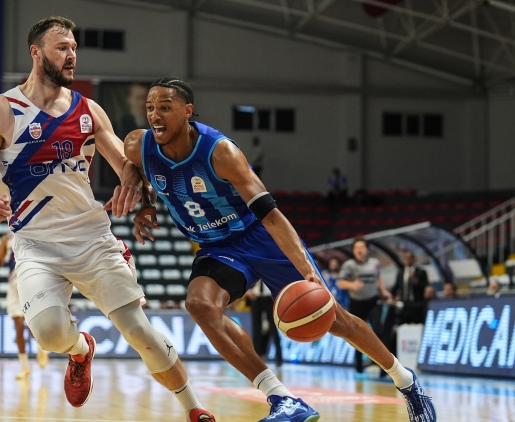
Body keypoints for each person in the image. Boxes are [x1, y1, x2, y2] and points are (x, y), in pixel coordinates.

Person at [124, 77, 435, 422]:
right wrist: (145, 201)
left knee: (337, 320)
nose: (155, 115)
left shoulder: (220, 153)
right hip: (217, 246)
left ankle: (406, 381)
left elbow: (271, 216)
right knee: (200, 305)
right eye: (150, 108)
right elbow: (136, 168)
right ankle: (283, 399)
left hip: (260, 236)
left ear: (187, 111)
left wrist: (308, 271)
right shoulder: (139, 145)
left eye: (165, 107)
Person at [0, 17, 214, 421]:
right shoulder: (2, 110)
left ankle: (194, 409)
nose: (71, 55)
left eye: (74, 47)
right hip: (36, 244)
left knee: (139, 331)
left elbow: (126, 163)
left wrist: (131, 184)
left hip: (92, 238)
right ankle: (81, 350)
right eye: (62, 47)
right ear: (36, 53)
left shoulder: (88, 110)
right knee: (48, 334)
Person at [0, 232, 50, 379]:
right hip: (13, 284)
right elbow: (0, 258)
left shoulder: (32, 230)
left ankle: (41, 348)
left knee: (32, 324)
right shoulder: (7, 238)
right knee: (18, 326)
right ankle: (24, 366)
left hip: (30, 282)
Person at [338, 238, 393, 374]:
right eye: (356, 248)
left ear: (367, 249)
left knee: (379, 331)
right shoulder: (349, 265)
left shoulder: (375, 263)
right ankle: (359, 365)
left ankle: (385, 365)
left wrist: (383, 291)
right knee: (357, 335)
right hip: (357, 304)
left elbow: (378, 278)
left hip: (372, 302)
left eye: (361, 247)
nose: (359, 250)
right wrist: (352, 285)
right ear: (353, 251)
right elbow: (341, 283)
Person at [245, 281, 283, 367]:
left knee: (274, 329)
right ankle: (256, 359)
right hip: (256, 298)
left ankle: (279, 359)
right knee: (256, 329)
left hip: (270, 299)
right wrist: (247, 291)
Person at [390, 251, 429, 324]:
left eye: (409, 258)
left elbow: (425, 286)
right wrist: (391, 296)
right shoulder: (401, 273)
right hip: (405, 304)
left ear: (413, 259)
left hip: (417, 304)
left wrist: (415, 280)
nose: (407, 260)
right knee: (403, 325)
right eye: (405, 258)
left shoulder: (421, 272)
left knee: (418, 324)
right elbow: (396, 287)